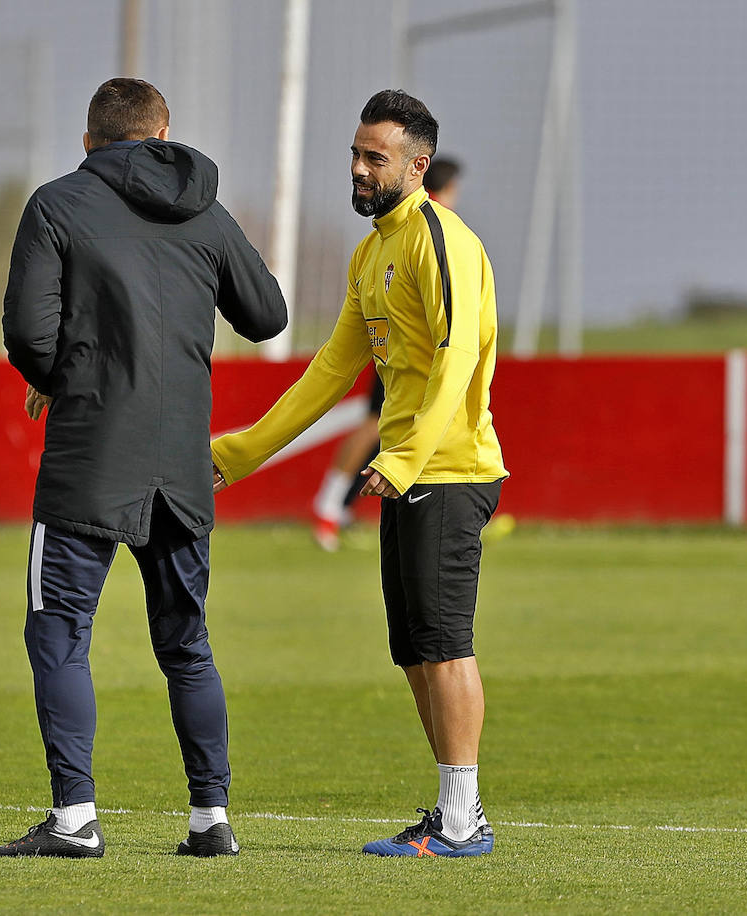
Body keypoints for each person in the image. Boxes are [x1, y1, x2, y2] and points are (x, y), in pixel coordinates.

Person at [0, 78, 287, 859]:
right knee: (187, 641)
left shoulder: (58, 203)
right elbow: (268, 316)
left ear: (89, 140)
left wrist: (62, 379)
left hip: (90, 451)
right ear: (164, 134)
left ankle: (75, 819)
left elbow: (26, 328)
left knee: (60, 633)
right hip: (183, 458)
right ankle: (210, 820)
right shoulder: (205, 209)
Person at [211, 90, 507, 857]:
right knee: (413, 651)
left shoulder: (437, 239)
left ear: (417, 166)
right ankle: (452, 808)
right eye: (355, 153)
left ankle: (464, 819)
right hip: (404, 474)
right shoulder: (371, 250)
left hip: (448, 470)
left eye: (375, 158)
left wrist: (406, 456)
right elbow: (330, 370)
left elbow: (458, 358)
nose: (359, 168)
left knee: (444, 644)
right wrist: (247, 448)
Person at [311, 157, 461, 551]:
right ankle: (329, 503)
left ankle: (335, 505)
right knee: (375, 422)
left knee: (378, 423)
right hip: (402, 355)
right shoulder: (430, 228)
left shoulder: (418, 232)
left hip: (409, 355)